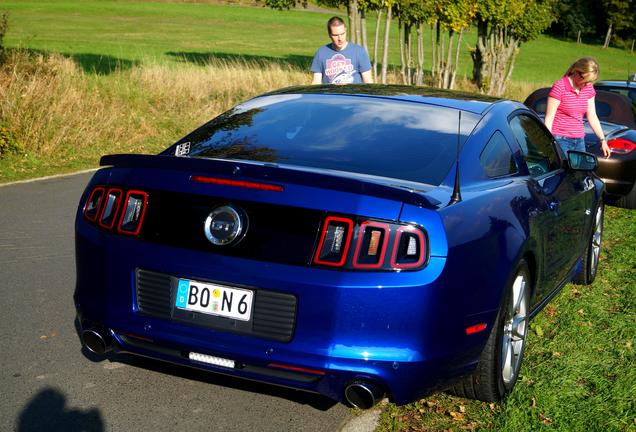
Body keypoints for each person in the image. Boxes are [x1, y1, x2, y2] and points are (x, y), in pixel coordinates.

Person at [544, 57, 611, 159]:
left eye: (590, 81)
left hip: (579, 140)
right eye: (585, 80)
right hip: (560, 139)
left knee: (580, 173)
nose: (587, 84)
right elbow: (549, 118)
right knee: (566, 173)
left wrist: (603, 140)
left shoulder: (588, 88)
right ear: (576, 71)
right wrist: (549, 142)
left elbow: (592, 116)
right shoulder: (560, 87)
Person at [310, 16, 373, 85]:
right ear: (329, 34)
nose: (340, 38)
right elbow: (316, 82)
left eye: (342, 34)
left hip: (353, 94)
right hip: (330, 95)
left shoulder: (359, 51)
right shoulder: (321, 53)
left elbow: (368, 81)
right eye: (336, 35)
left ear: (346, 31)